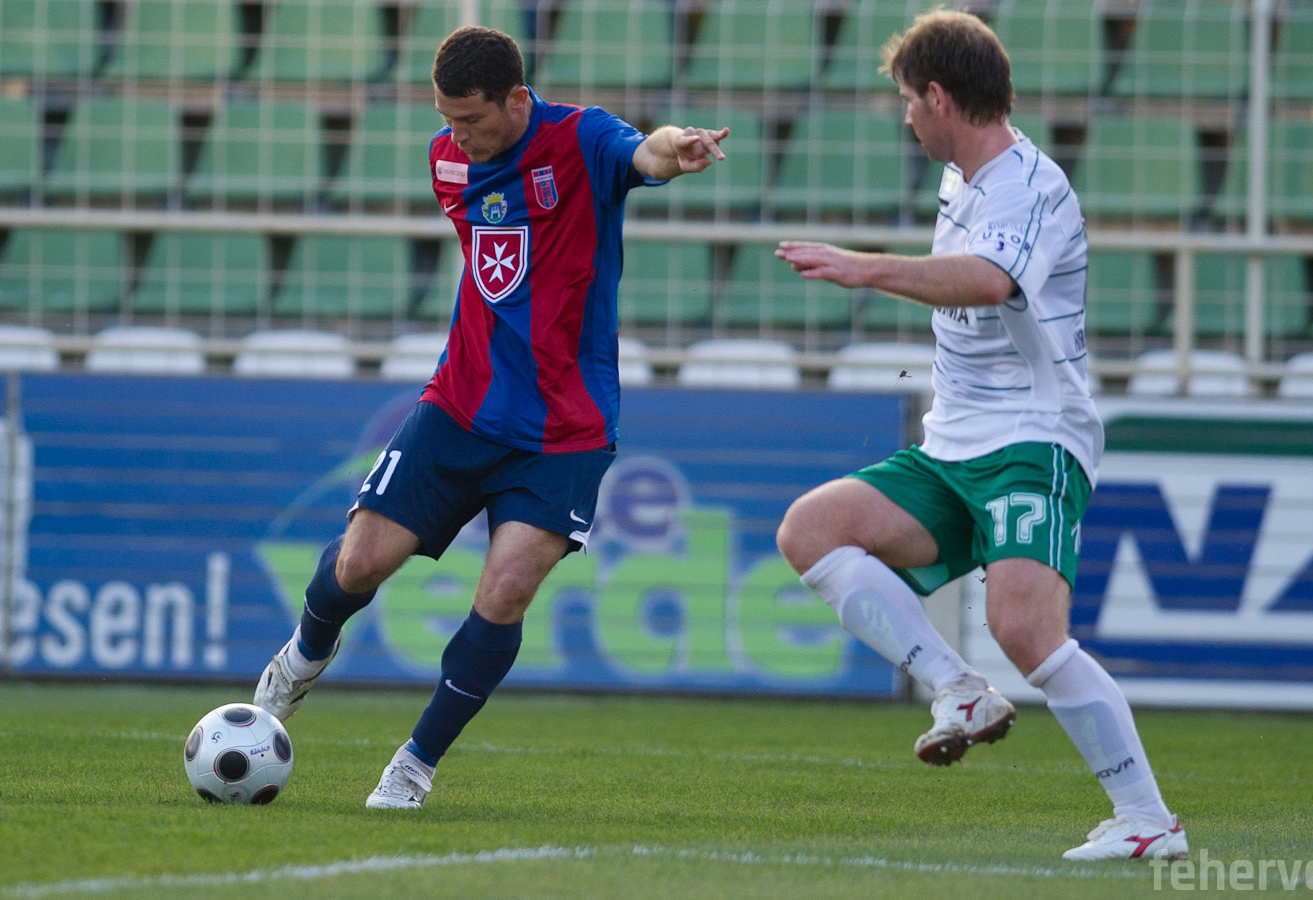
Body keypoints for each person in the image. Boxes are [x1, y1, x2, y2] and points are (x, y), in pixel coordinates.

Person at [252, 25, 728, 811]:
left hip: (565, 429)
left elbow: (644, 152)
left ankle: (413, 765)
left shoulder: (581, 140)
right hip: (462, 404)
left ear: (516, 99)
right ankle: (302, 656)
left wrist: (672, 149)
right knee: (359, 563)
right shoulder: (446, 161)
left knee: (505, 590)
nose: (458, 136)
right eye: (447, 119)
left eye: (471, 120)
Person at [774, 10, 1186, 862]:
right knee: (811, 529)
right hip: (953, 444)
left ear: (938, 96)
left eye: (907, 101)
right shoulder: (960, 182)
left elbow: (991, 281)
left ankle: (1146, 818)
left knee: (1025, 629)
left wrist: (863, 267)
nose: (905, 118)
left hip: (1034, 438)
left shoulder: (1029, 186)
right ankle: (957, 689)